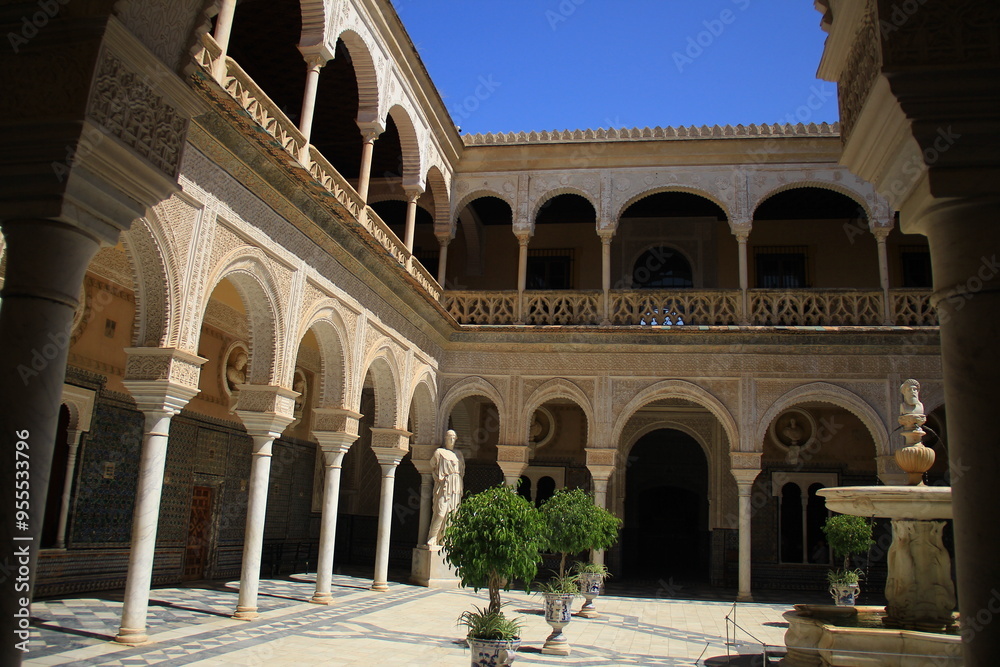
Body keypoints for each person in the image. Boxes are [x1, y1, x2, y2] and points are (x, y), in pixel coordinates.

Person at [426, 429, 464, 548]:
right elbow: (432, 465)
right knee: (440, 512)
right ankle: (433, 537)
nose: (451, 440)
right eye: (449, 437)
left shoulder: (459, 454)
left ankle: (445, 538)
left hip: (455, 485)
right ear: (445, 438)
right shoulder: (439, 452)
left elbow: (462, 471)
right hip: (444, 485)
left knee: (452, 513)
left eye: (453, 438)